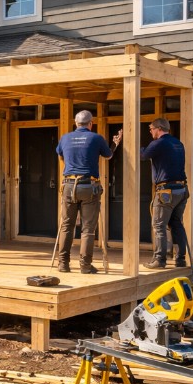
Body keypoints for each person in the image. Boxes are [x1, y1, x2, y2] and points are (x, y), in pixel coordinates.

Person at [55, 110, 122, 274]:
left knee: (66, 226)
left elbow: (61, 156)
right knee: (87, 229)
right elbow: (108, 156)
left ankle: (63, 264)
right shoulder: (96, 138)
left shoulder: (65, 138)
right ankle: (85, 266)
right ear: (91, 124)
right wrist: (116, 143)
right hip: (88, 186)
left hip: (69, 185)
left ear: (75, 123)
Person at [141, 118, 189, 269]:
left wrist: (135, 146)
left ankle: (159, 260)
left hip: (166, 192)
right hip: (181, 190)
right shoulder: (178, 144)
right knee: (176, 224)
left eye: (151, 129)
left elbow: (143, 156)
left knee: (159, 225)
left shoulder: (159, 143)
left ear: (159, 128)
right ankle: (180, 259)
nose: (150, 132)